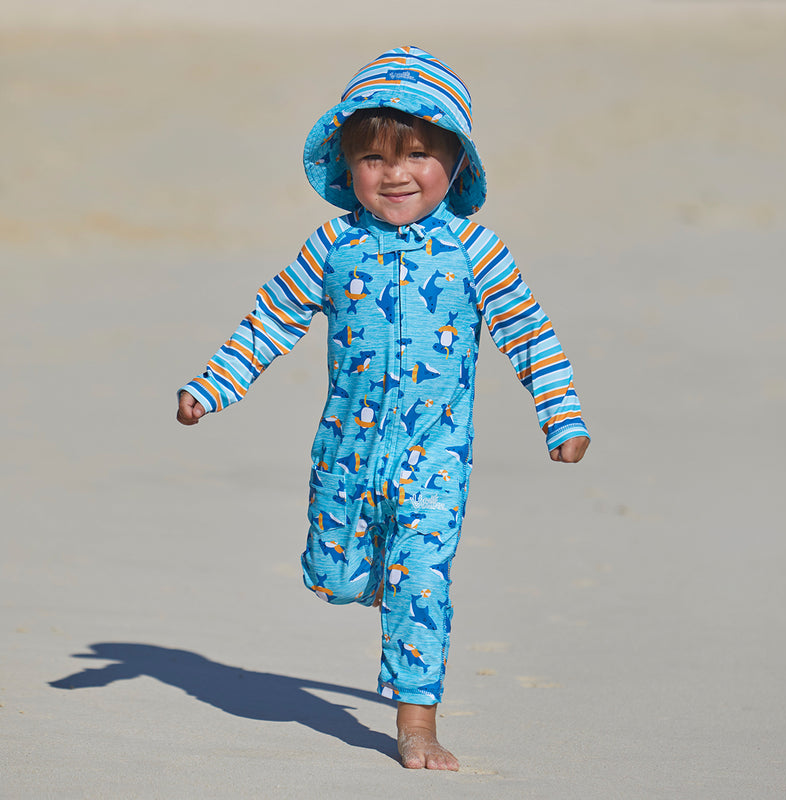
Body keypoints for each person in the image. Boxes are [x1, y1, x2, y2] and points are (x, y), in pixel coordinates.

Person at [177, 46, 590, 771]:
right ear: (347, 167)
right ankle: (375, 581)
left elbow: (531, 335)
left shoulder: (476, 252)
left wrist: (562, 417)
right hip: (346, 450)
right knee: (335, 578)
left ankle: (416, 723)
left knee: (420, 578)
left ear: (456, 162)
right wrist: (210, 388)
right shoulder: (334, 246)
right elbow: (270, 320)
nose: (394, 173)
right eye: (372, 158)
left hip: (434, 456)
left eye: (418, 154)